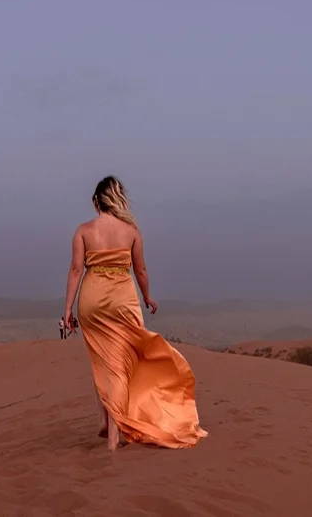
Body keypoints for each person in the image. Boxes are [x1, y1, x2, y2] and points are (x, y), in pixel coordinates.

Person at [63, 175, 208, 451]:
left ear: (96, 201)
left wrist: (67, 308)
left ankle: (107, 422)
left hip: (91, 299)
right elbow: (140, 270)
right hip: (123, 298)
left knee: (103, 361)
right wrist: (147, 296)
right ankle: (116, 433)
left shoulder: (83, 230)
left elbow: (75, 270)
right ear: (117, 200)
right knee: (123, 363)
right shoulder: (131, 232)